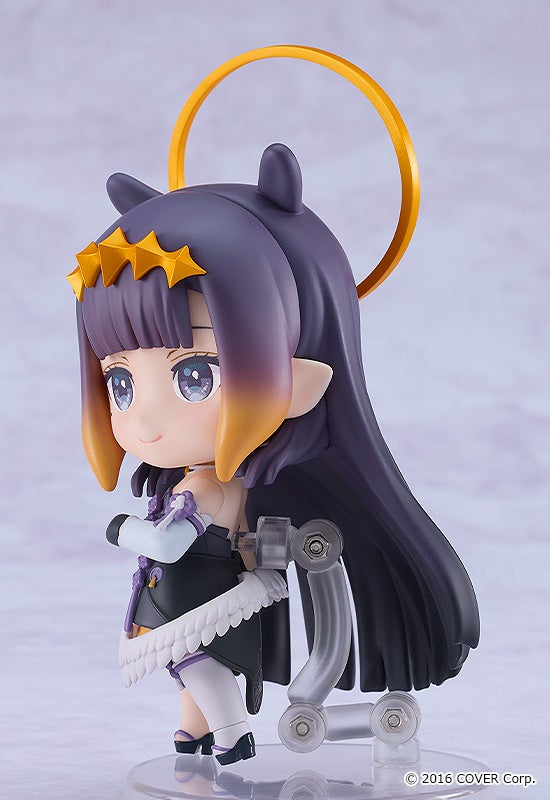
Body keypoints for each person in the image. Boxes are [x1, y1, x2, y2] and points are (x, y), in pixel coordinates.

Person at [69, 142, 479, 765]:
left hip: (201, 592)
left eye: (195, 376)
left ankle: (229, 733)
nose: (143, 420)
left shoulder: (209, 487)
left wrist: (122, 530)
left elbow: (172, 543)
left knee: (197, 662)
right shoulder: (193, 478)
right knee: (187, 665)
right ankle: (195, 730)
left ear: (302, 379)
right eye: (119, 383)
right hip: (189, 591)